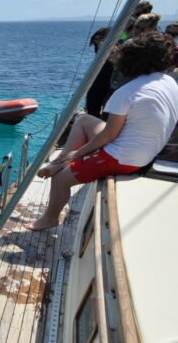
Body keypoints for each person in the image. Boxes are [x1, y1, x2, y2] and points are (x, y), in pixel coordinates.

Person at [26, 32, 178, 231]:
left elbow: (109, 135)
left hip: (123, 158)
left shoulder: (127, 92)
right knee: (83, 120)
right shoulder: (170, 83)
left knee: (61, 180)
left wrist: (76, 154)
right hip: (149, 152)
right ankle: (58, 162)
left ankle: (50, 218)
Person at [86, 27, 114, 119]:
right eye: (96, 40)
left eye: (100, 39)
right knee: (93, 110)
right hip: (98, 81)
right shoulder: (99, 50)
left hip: (107, 82)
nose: (97, 42)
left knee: (106, 111)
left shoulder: (114, 50)